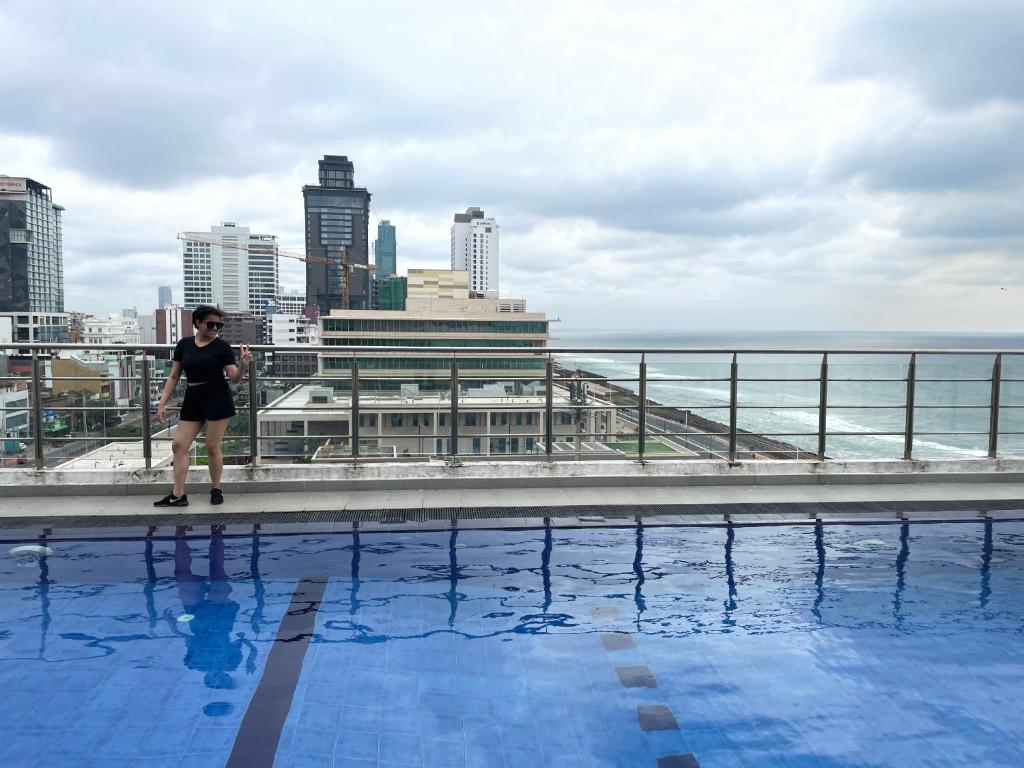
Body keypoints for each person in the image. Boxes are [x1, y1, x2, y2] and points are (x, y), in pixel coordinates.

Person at [153, 305, 252, 507]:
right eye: (211, 324)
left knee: (212, 445)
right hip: (193, 396)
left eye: (218, 325)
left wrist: (243, 364)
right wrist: (162, 403)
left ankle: (216, 489)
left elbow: (234, 378)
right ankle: (178, 495)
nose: (215, 328)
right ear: (197, 323)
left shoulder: (222, 347)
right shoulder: (184, 345)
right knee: (179, 445)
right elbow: (174, 376)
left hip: (217, 396)